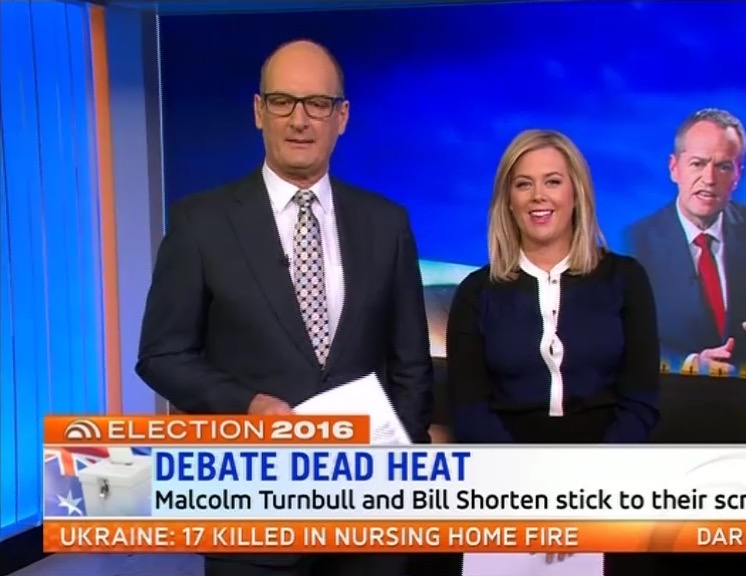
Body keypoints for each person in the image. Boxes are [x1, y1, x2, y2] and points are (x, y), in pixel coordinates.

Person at [136, 39, 433, 576]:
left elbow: (411, 364)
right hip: (253, 516)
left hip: (368, 523)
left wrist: (396, 468)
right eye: (282, 102)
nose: (300, 120)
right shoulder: (200, 223)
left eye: (317, 103)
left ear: (342, 117)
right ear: (259, 111)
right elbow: (162, 355)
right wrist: (247, 404)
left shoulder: (386, 223)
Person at [445, 129, 661, 574]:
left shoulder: (625, 279)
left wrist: (581, 496)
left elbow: (641, 400)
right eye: (523, 184)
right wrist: (531, 496)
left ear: (577, 193)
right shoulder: (477, 293)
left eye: (553, 181)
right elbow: (468, 408)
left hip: (605, 480)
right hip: (504, 481)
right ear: (508, 200)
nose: (538, 196)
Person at [627, 108, 746, 376]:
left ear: (738, 175)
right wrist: (688, 364)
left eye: (723, 167)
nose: (709, 179)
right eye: (697, 164)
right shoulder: (636, 243)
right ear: (674, 168)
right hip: (671, 396)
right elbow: (622, 338)